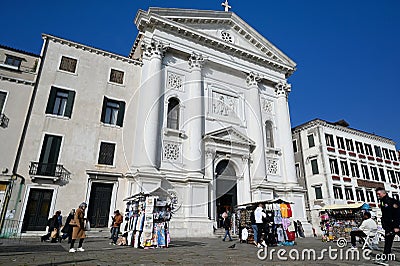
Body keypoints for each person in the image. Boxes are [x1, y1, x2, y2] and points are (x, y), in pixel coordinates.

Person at [376, 187, 400, 264]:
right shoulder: (382, 202)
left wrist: (396, 226)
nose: (377, 195)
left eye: (379, 194)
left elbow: (397, 214)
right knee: (388, 242)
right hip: (389, 226)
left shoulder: (391, 201)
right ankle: (385, 258)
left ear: (384, 193)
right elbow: (385, 215)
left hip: (396, 225)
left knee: (388, 242)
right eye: (377, 194)